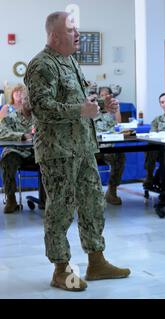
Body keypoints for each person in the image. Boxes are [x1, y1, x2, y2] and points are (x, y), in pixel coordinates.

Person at [24, 11, 130, 292]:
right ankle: (60, 269)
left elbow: (81, 103)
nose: (78, 34)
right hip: (57, 151)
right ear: (55, 36)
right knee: (61, 208)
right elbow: (41, 107)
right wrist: (80, 110)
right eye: (72, 29)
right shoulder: (41, 65)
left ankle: (97, 261)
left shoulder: (70, 61)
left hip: (82, 148)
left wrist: (103, 107)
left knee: (93, 202)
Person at [0, 85, 34, 214]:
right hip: (17, 151)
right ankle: (11, 199)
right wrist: (22, 136)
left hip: (39, 151)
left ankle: (47, 198)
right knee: (8, 158)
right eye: (26, 99)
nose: (29, 103)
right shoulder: (12, 117)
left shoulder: (42, 118)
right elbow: (1, 132)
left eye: (31, 100)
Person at [94, 87, 126, 205]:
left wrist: (115, 109)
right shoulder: (93, 110)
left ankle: (112, 190)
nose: (104, 97)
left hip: (108, 147)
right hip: (94, 149)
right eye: (102, 95)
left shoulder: (111, 112)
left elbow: (118, 126)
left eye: (106, 95)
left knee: (119, 156)